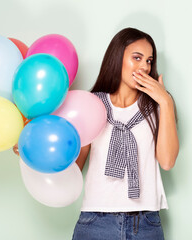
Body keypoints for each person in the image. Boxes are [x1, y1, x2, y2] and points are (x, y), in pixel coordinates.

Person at [71, 27, 179, 240]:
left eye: (148, 60)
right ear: (117, 57)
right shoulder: (92, 105)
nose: (144, 67)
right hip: (95, 221)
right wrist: (35, 154)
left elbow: (167, 162)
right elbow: (74, 167)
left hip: (145, 223)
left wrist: (165, 101)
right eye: (137, 58)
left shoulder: (157, 106)